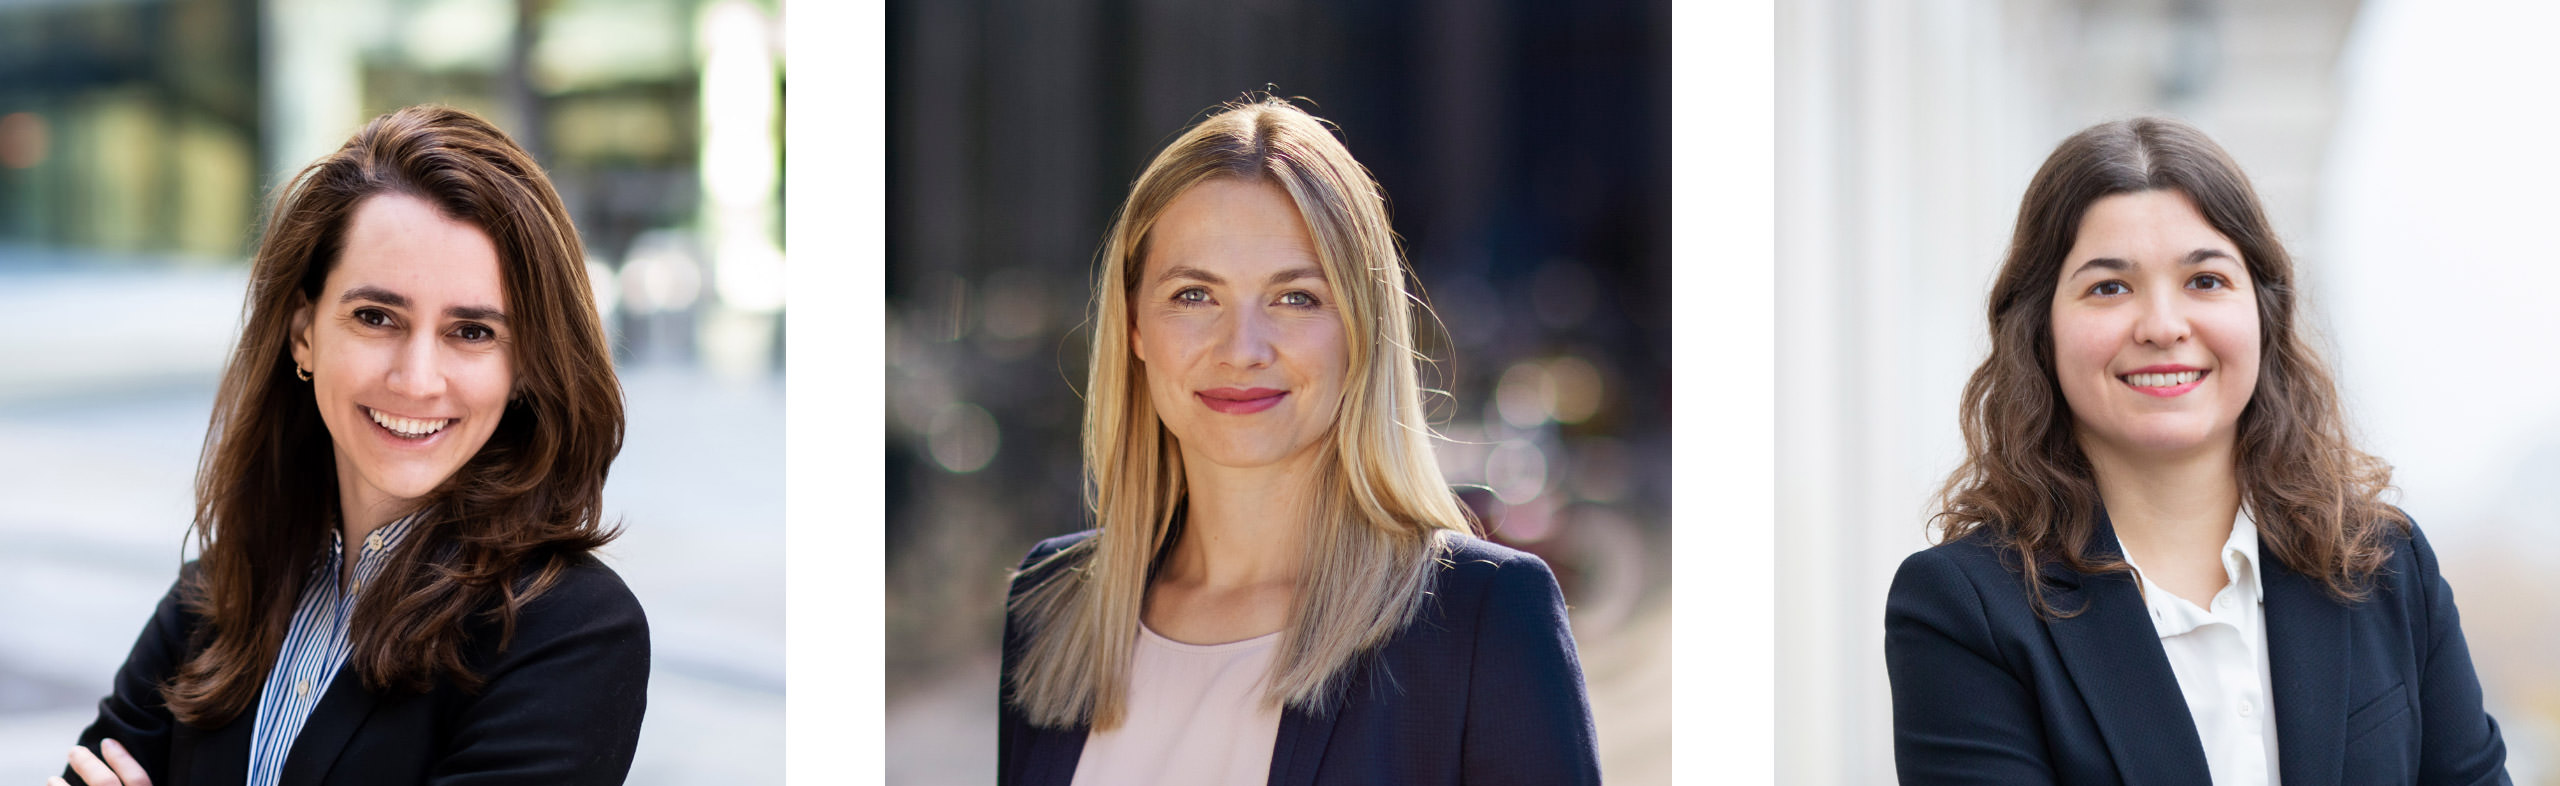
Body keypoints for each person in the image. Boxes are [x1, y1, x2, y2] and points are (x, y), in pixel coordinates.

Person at [1884, 116, 2510, 785]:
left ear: (2265, 315)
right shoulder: (1962, 611)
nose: (2162, 326)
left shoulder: (2385, 567)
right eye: (2109, 287)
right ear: (2040, 331)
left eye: (2205, 280)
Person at [996, 95, 1602, 785]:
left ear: (1360, 329)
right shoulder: (1052, 606)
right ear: (1134, 325)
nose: (1242, 348)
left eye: (1295, 298)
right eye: (1195, 294)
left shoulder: (1482, 622)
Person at [53, 105, 647, 786]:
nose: (417, 379)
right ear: (304, 332)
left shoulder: (571, 634)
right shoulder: (215, 596)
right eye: (376, 317)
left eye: (473, 332)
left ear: (526, 365)